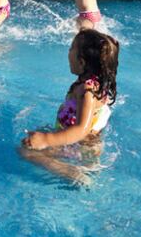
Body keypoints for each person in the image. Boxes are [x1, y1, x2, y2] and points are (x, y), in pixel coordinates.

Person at [21, 29, 119, 182]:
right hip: (84, 143)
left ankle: (72, 173)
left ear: (81, 62)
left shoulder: (87, 91)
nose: (68, 53)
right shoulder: (96, 85)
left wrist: (47, 139)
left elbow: (81, 129)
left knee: (26, 151)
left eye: (71, 48)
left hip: (79, 145)